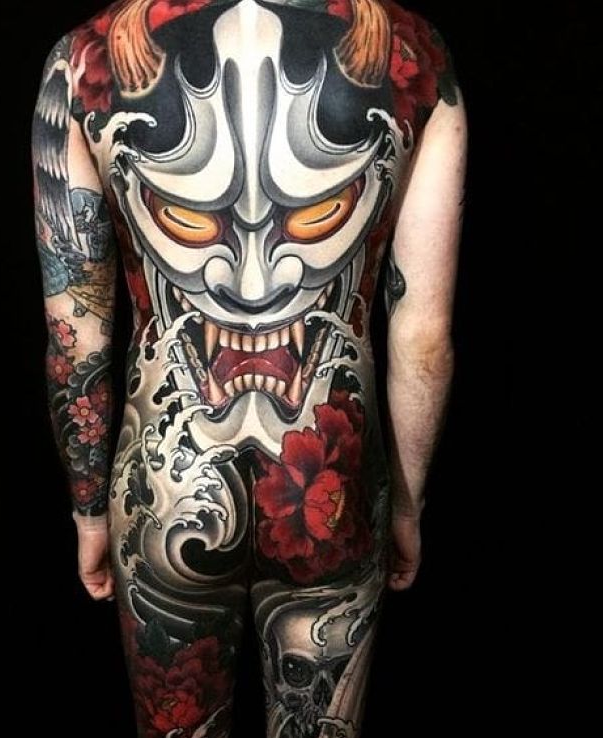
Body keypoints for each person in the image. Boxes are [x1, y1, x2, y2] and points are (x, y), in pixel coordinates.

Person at [31, 0, 466, 735]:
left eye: (320, 211)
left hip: (164, 489)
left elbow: (76, 332)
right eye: (188, 218)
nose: (252, 278)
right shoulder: (416, 54)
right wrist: (406, 506)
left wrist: (88, 512)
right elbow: (424, 336)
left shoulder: (80, 63)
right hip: (334, 491)